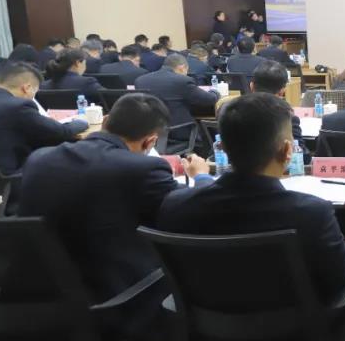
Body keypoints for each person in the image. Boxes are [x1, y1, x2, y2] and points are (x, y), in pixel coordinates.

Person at [157, 93, 345, 304]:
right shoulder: (312, 212)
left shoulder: (175, 206)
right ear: (287, 150)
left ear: (221, 147)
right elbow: (338, 279)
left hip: (206, 322)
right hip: (298, 323)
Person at [18, 94, 210, 308]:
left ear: (105, 120)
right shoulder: (143, 169)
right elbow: (191, 211)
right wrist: (201, 177)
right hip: (115, 300)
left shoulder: (39, 158)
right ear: (150, 141)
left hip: (31, 297)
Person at [0, 62, 87, 177]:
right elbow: (61, 131)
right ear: (27, 88)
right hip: (11, 175)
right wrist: (82, 122)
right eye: (35, 93)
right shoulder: (19, 106)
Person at [135, 54, 218, 142]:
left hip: (151, 133)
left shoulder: (140, 81)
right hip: (179, 132)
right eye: (187, 70)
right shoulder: (182, 81)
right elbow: (209, 100)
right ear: (182, 67)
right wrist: (215, 92)